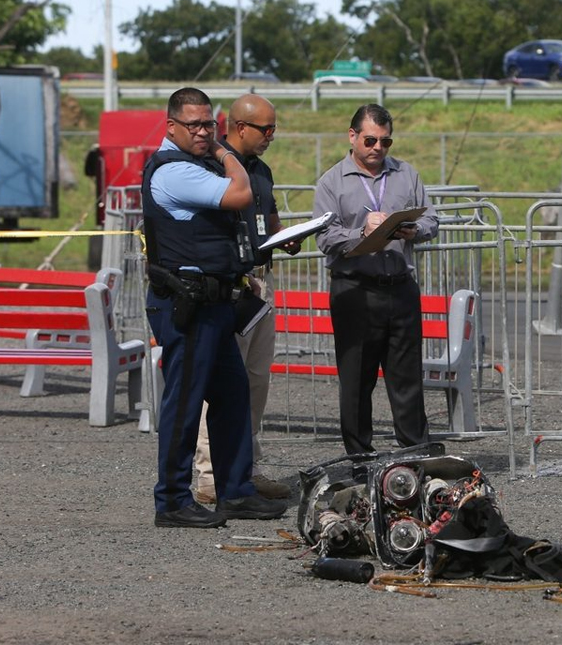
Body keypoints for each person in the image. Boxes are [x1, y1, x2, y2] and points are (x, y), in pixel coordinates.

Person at [142, 87, 286, 528]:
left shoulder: (192, 165)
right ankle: (171, 500)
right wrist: (226, 153)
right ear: (172, 127)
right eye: (195, 125)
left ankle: (236, 492)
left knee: (231, 398)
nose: (205, 132)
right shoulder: (175, 171)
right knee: (184, 404)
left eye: (210, 124)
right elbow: (241, 193)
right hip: (187, 304)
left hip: (215, 304)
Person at [314, 104, 439, 477]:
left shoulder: (406, 174)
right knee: (356, 381)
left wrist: (412, 230)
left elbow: (432, 218)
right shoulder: (331, 181)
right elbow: (325, 237)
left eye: (385, 141)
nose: (378, 148)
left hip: (400, 287)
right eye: (370, 140)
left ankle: (415, 458)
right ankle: (360, 462)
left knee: (407, 379)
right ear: (352, 137)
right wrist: (363, 233)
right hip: (354, 290)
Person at [192, 94, 294, 504]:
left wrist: (283, 236)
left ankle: (243, 468)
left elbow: (266, 220)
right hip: (229, 287)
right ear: (239, 127)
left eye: (274, 129)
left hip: (260, 283)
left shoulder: (262, 171)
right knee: (218, 384)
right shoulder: (211, 168)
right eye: (265, 129)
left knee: (254, 382)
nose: (271, 136)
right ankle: (208, 475)